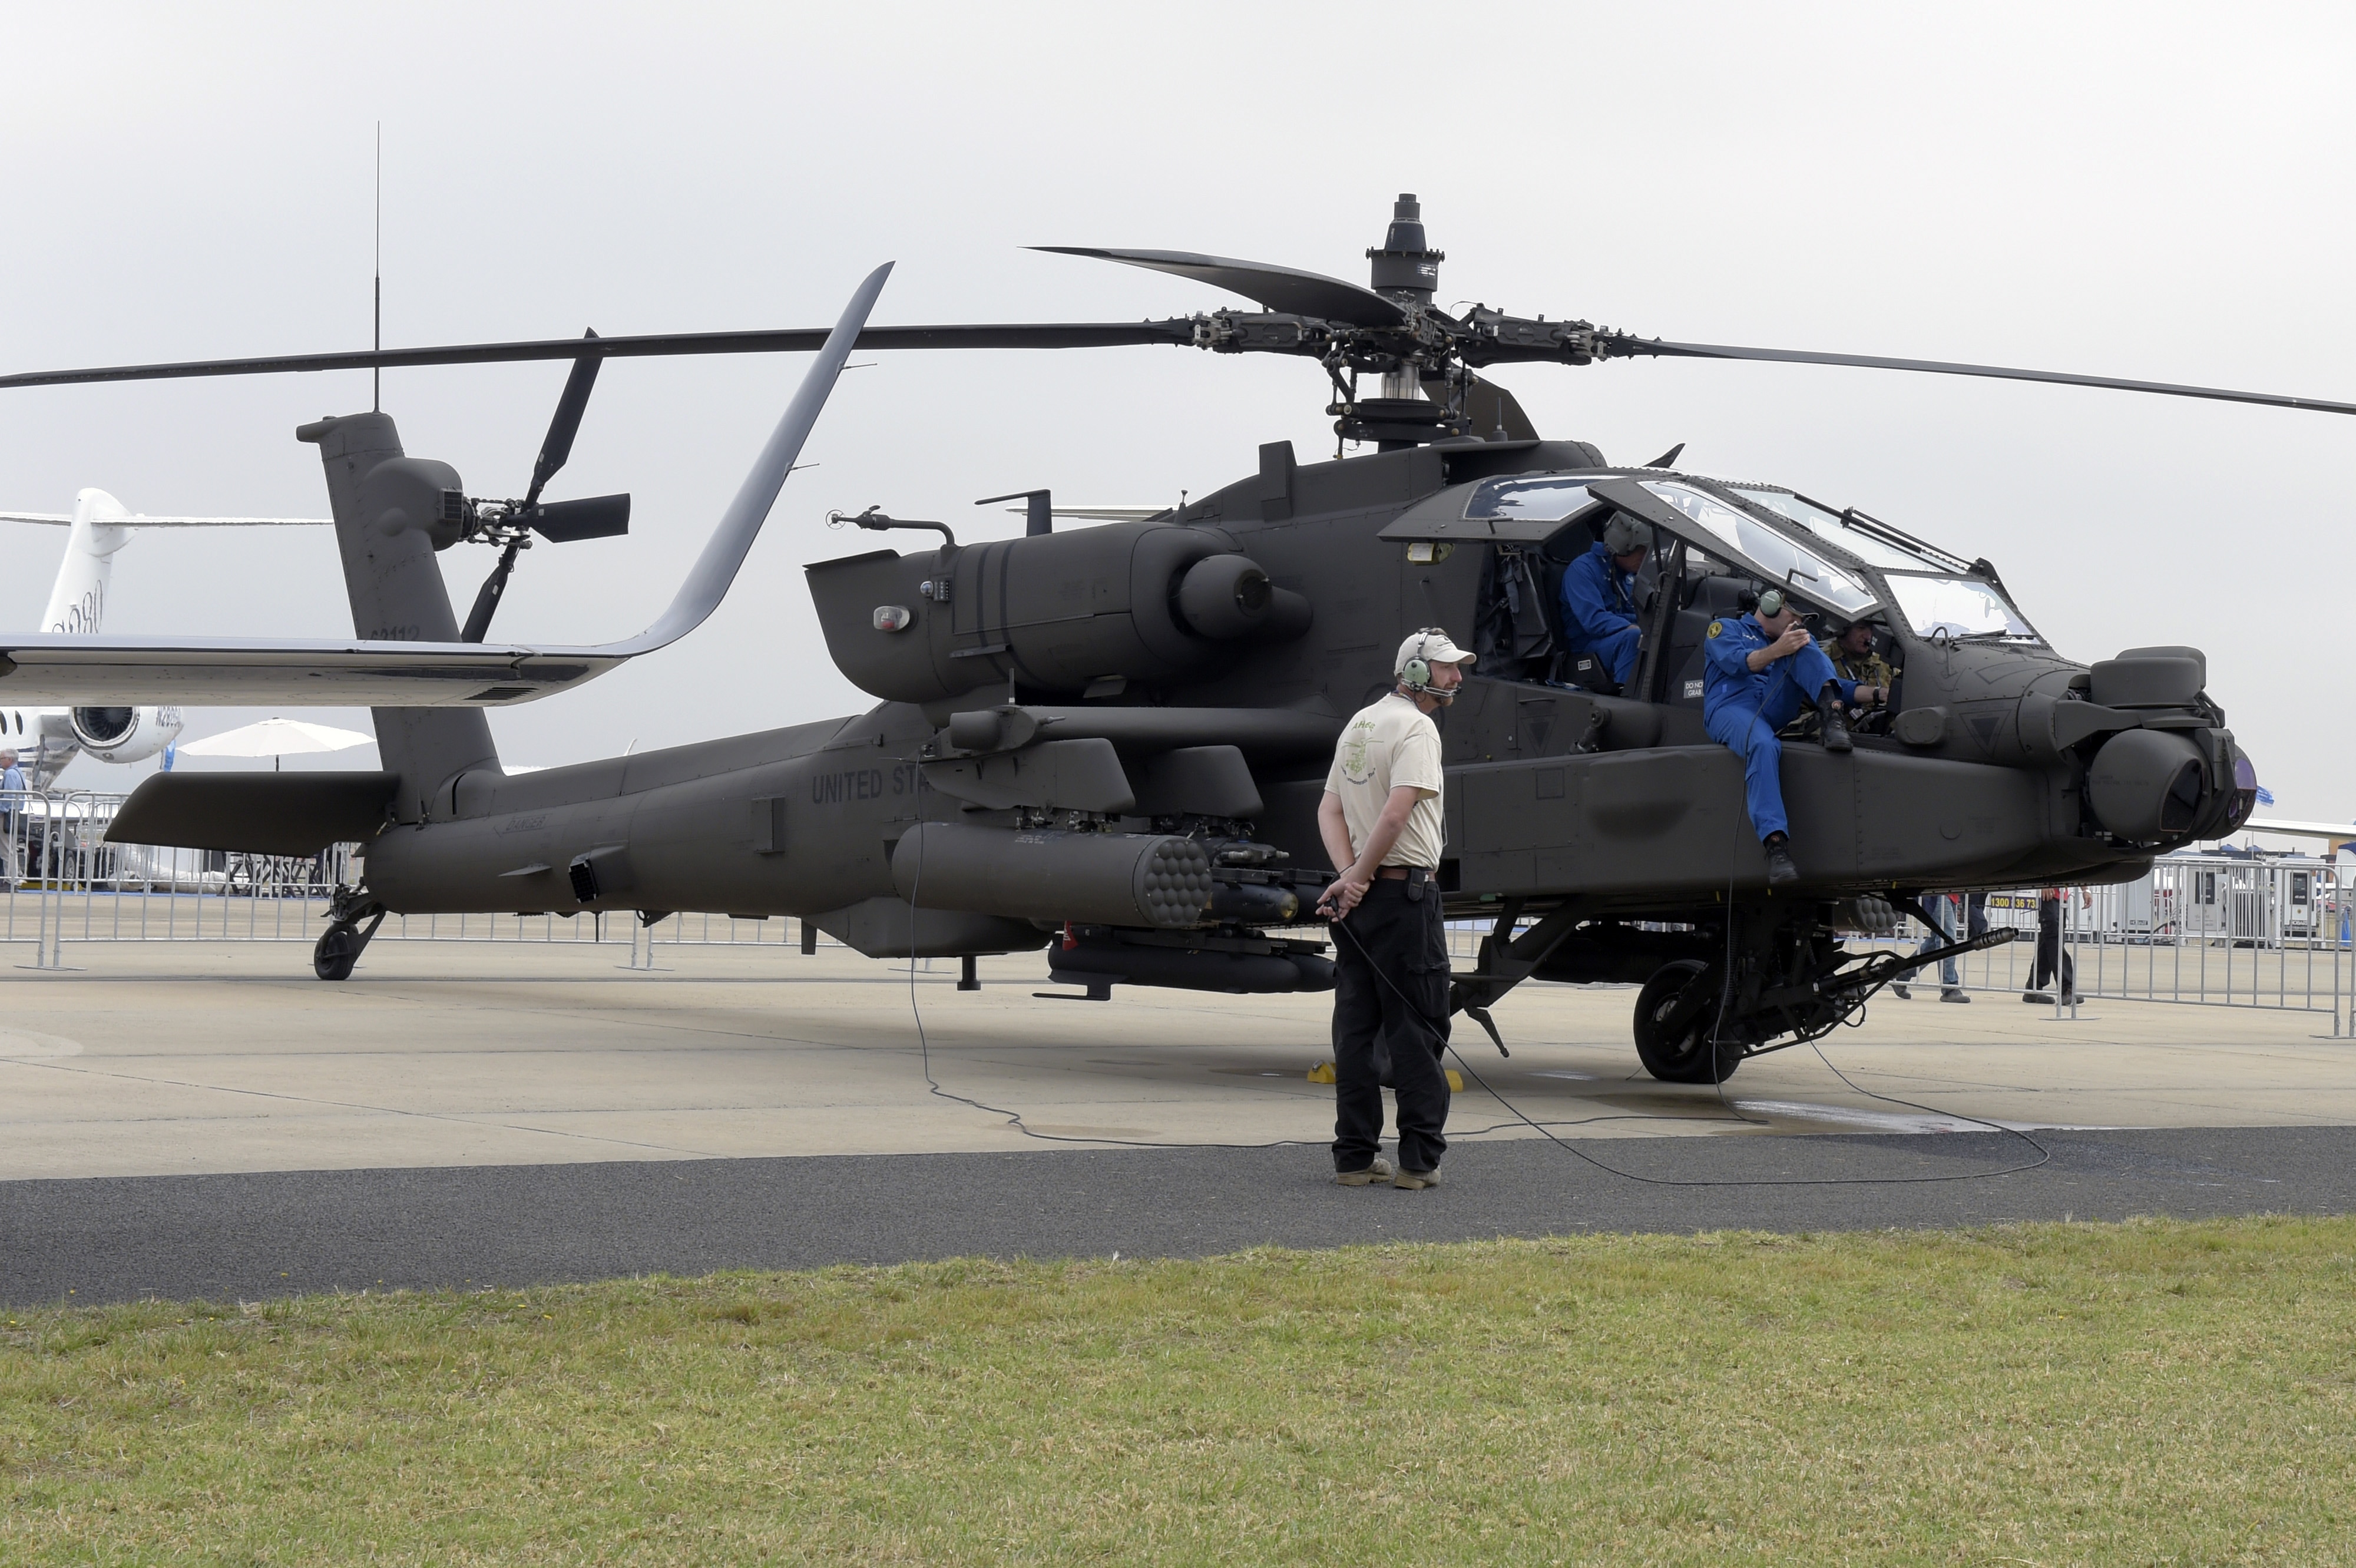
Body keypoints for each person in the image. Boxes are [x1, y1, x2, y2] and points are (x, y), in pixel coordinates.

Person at [1315, 627, 1472, 1192]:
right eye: (1446, 667)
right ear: (1416, 673)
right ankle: (1418, 1162)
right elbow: (1396, 815)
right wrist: (1358, 877)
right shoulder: (1418, 727)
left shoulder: (1358, 724)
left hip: (1358, 904)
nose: (1456, 676)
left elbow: (1329, 810)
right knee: (1418, 1026)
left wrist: (1348, 879)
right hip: (1406, 896)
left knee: (1356, 1031)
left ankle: (1354, 1158)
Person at [1700, 588, 1887, 886]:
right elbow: (1737, 662)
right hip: (1731, 708)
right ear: (1770, 606)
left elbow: (1834, 681)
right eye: (1795, 615)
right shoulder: (1726, 629)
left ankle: (1833, 716)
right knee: (1763, 744)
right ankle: (1776, 846)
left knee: (1804, 644)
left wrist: (1879, 694)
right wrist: (1779, 649)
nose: (1798, 623)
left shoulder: (1787, 640)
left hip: (1769, 704)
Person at [1558, 513, 1649, 689]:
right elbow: (1593, 620)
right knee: (1633, 637)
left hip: (1613, 639)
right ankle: (1627, 696)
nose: (1645, 559)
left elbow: (1633, 613)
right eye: (1641, 552)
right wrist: (1630, 627)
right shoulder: (1582, 570)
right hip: (1587, 648)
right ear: (1622, 545)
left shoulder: (1627, 575)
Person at [1892, 891, 1969, 1002]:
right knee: (1947, 939)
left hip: (1949, 895)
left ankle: (1902, 975)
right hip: (1940, 894)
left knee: (1934, 943)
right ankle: (1950, 988)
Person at [2026, 885, 2089, 1003]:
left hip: (2060, 897)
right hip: (2048, 895)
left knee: (2048, 943)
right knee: (2055, 941)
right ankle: (2067, 988)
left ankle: (2033, 988)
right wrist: (2044, 884)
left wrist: (2086, 890)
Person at [0, 749, 22, 886]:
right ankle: (15, 876)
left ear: (9, 760)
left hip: (6, 816)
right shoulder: (18, 773)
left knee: (6, 849)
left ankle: (10, 880)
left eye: (1, 759)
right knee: (11, 848)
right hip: (14, 814)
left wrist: (1, 810)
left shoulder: (9, 774)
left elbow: (9, 796)